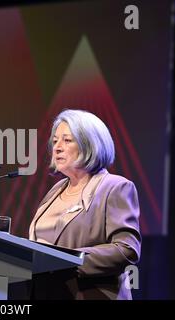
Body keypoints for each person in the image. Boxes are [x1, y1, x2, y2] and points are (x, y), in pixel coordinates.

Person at [28, 109, 141, 300]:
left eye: (67, 140)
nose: (57, 147)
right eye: (55, 141)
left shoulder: (115, 187)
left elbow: (126, 249)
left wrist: (67, 261)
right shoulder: (55, 191)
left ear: (89, 144)